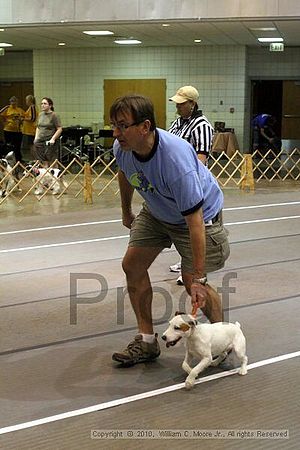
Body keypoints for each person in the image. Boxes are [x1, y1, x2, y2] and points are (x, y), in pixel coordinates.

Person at [110, 94, 230, 366]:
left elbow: (195, 220)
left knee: (192, 283)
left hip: (198, 215)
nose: (116, 134)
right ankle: (148, 342)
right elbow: (125, 173)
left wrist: (198, 277)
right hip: (157, 210)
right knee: (132, 265)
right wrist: (126, 210)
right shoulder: (123, 147)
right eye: (113, 126)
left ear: (145, 126)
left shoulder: (175, 160)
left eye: (122, 126)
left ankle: (221, 339)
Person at [168, 85, 214, 283]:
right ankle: (185, 260)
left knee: (199, 226)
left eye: (181, 104)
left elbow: (201, 157)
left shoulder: (202, 125)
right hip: (176, 182)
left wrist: (188, 180)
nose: (177, 107)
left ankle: (198, 271)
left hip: (193, 183)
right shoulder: (177, 123)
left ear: (193, 104)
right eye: (176, 104)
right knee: (183, 226)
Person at [34, 97, 62, 167]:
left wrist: (53, 139)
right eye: (42, 103)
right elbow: (38, 127)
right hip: (40, 140)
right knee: (43, 160)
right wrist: (36, 138)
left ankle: (55, 176)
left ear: (50, 105)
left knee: (52, 159)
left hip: (50, 140)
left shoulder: (54, 115)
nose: (42, 105)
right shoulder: (40, 114)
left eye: (45, 104)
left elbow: (59, 129)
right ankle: (46, 175)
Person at [0, 96, 25, 162]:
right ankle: (8, 159)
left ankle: (18, 159)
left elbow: (24, 117)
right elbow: (1, 114)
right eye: (12, 101)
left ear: (17, 102)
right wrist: (4, 123)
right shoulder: (7, 109)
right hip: (8, 130)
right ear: (10, 102)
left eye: (15, 101)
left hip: (18, 130)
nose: (13, 103)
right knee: (9, 145)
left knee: (17, 146)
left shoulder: (19, 110)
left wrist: (21, 120)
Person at [20, 95, 37, 161]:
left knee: (32, 146)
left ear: (30, 101)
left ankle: (36, 160)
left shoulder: (32, 107)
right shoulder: (30, 108)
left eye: (26, 100)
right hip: (28, 130)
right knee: (31, 146)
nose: (26, 102)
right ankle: (33, 160)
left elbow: (33, 118)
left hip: (31, 130)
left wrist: (23, 118)